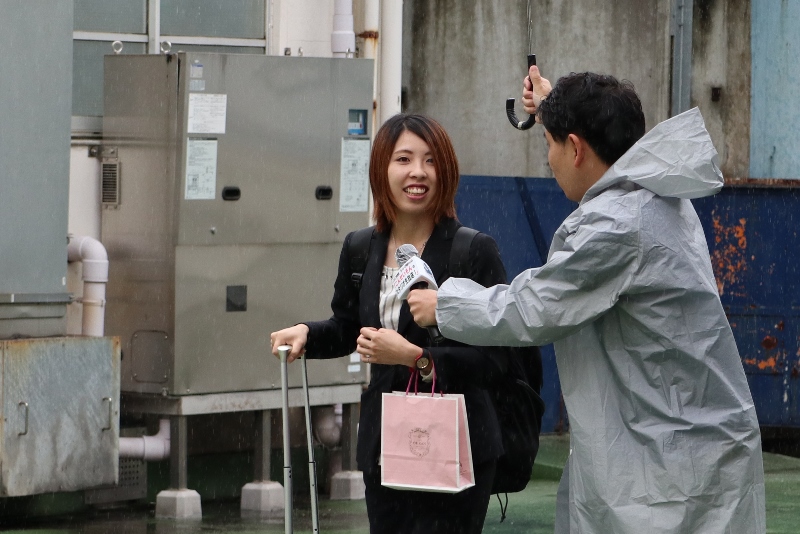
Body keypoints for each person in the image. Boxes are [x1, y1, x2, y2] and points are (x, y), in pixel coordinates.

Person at [408, 66, 767, 533]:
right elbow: (595, 124)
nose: (550, 160)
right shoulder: (654, 193)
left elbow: (535, 307)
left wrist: (444, 306)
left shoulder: (618, 225)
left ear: (575, 148)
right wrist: (554, 108)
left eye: (550, 146)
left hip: (670, 461)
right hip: (683, 439)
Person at [270, 113, 509, 534]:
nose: (418, 172)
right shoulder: (361, 248)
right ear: (382, 169)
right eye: (404, 159)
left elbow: (496, 360)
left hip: (458, 442)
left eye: (430, 160)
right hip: (385, 442)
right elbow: (349, 329)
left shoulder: (472, 251)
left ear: (447, 171)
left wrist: (417, 358)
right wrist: (308, 332)